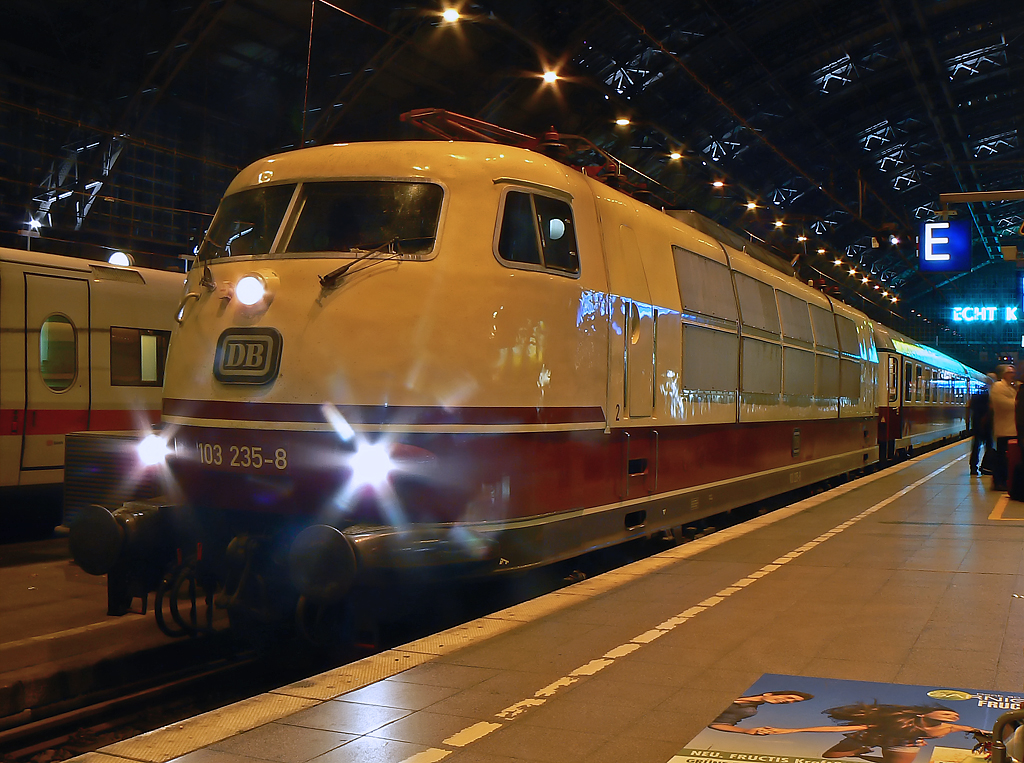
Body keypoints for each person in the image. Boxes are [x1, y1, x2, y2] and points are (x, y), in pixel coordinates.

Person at [754, 702, 987, 763]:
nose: (953, 718)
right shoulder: (898, 719)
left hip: (905, 745)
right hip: (873, 737)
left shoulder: (948, 727)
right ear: (932, 712)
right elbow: (837, 728)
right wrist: (788, 730)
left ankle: (861, 754)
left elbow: (967, 728)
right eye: (948, 714)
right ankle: (862, 748)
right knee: (831, 756)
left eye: (955, 717)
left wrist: (982, 731)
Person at [707, 690, 814, 734]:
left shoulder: (748, 710)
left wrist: (747, 731)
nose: (789, 701)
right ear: (768, 694)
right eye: (789, 697)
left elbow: (718, 724)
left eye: (793, 701)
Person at [990, 365, 1017, 491]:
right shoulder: (998, 387)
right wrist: (1018, 403)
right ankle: (999, 482)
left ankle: (1005, 480)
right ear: (1003, 374)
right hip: (1004, 429)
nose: (1013, 374)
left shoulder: (1011, 387)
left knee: (1007, 458)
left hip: (1012, 428)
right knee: (1001, 457)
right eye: (1010, 372)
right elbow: (1003, 403)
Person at [968, 374, 995, 476]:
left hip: (978, 424)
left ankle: (974, 467)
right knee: (987, 446)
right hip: (985, 424)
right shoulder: (989, 396)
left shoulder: (976, 394)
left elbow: (971, 407)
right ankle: (986, 467)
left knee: (977, 446)